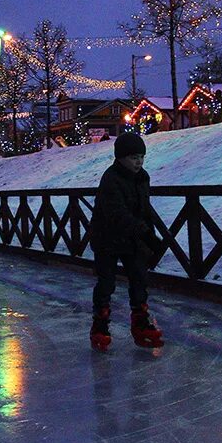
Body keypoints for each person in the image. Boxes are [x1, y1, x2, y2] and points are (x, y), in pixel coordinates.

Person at [88, 132, 164, 351]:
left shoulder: (143, 177)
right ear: (120, 158)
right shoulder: (110, 178)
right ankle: (100, 324)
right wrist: (146, 234)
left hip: (132, 237)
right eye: (133, 157)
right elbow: (117, 213)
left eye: (141, 156)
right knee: (106, 282)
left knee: (139, 277)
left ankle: (141, 321)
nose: (138, 161)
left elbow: (144, 209)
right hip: (107, 238)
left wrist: (150, 236)